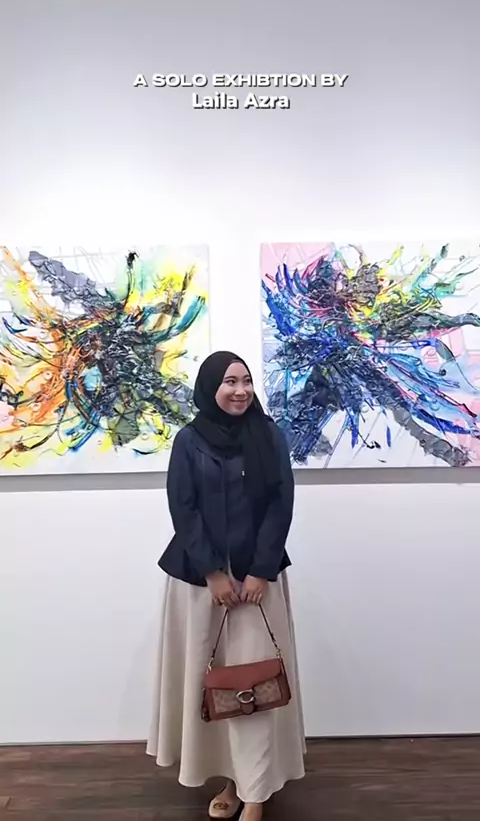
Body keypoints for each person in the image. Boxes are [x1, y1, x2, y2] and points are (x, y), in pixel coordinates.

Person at [147, 351, 305, 821]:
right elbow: (183, 507)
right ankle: (230, 779)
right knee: (213, 685)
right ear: (210, 387)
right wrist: (213, 572)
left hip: (258, 583)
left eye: (246, 381)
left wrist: (260, 569)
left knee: (257, 686)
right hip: (201, 584)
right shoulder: (189, 440)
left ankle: (255, 790)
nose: (240, 391)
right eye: (230, 381)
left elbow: (281, 502)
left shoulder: (268, 435)